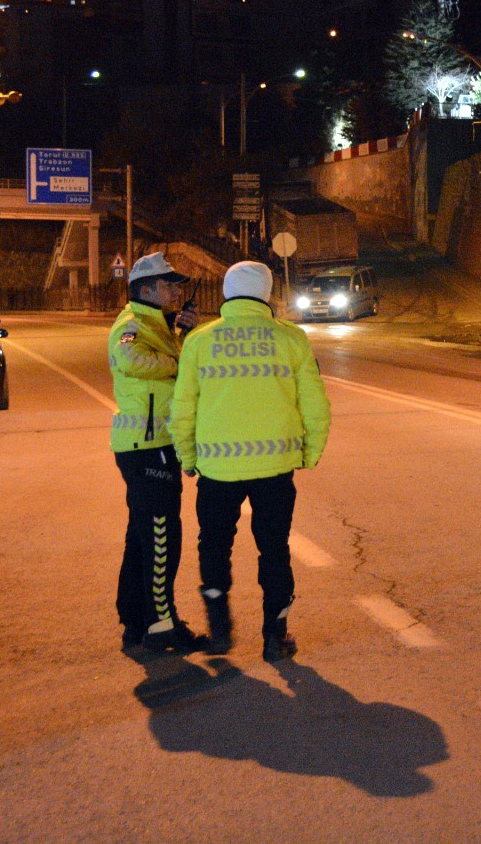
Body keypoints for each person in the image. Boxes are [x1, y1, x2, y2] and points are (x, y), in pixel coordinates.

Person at [171, 261, 331, 661]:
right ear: (267, 294)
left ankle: (219, 628)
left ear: (227, 293)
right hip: (275, 469)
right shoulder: (291, 339)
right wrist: (310, 452)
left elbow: (183, 408)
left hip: (217, 471)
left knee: (214, 546)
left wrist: (187, 457)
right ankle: (275, 637)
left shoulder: (199, 341)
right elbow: (315, 403)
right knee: (274, 550)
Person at [110, 251, 206, 655]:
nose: (176, 292)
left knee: (142, 537)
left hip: (152, 445)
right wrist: (180, 357)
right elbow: (129, 358)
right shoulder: (132, 324)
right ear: (147, 289)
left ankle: (135, 620)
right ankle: (161, 625)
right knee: (163, 537)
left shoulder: (157, 324)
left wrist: (182, 335)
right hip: (148, 447)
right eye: (169, 285)